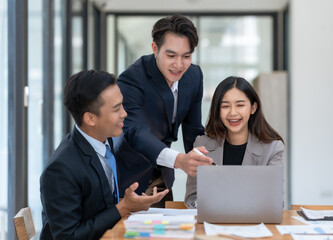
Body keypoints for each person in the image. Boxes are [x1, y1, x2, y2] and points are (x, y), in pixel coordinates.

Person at [40, 70, 169, 240]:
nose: (124, 113)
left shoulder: (104, 143)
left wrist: (130, 204)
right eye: (116, 109)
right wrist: (122, 207)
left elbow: (97, 206)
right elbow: (68, 237)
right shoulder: (61, 169)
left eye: (122, 105)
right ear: (90, 118)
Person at [117, 14, 212, 207]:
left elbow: (193, 131)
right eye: (171, 56)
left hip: (162, 175)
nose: (179, 65)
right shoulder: (131, 79)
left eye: (186, 56)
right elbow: (136, 131)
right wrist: (179, 160)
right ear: (155, 48)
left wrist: (210, 164)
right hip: (128, 176)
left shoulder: (193, 76)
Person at [185, 76, 284, 209]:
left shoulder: (273, 148)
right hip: (213, 224)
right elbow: (192, 198)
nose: (232, 113)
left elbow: (276, 202)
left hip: (254, 226)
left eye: (240, 105)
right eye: (225, 106)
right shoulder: (202, 145)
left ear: (253, 108)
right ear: (217, 110)